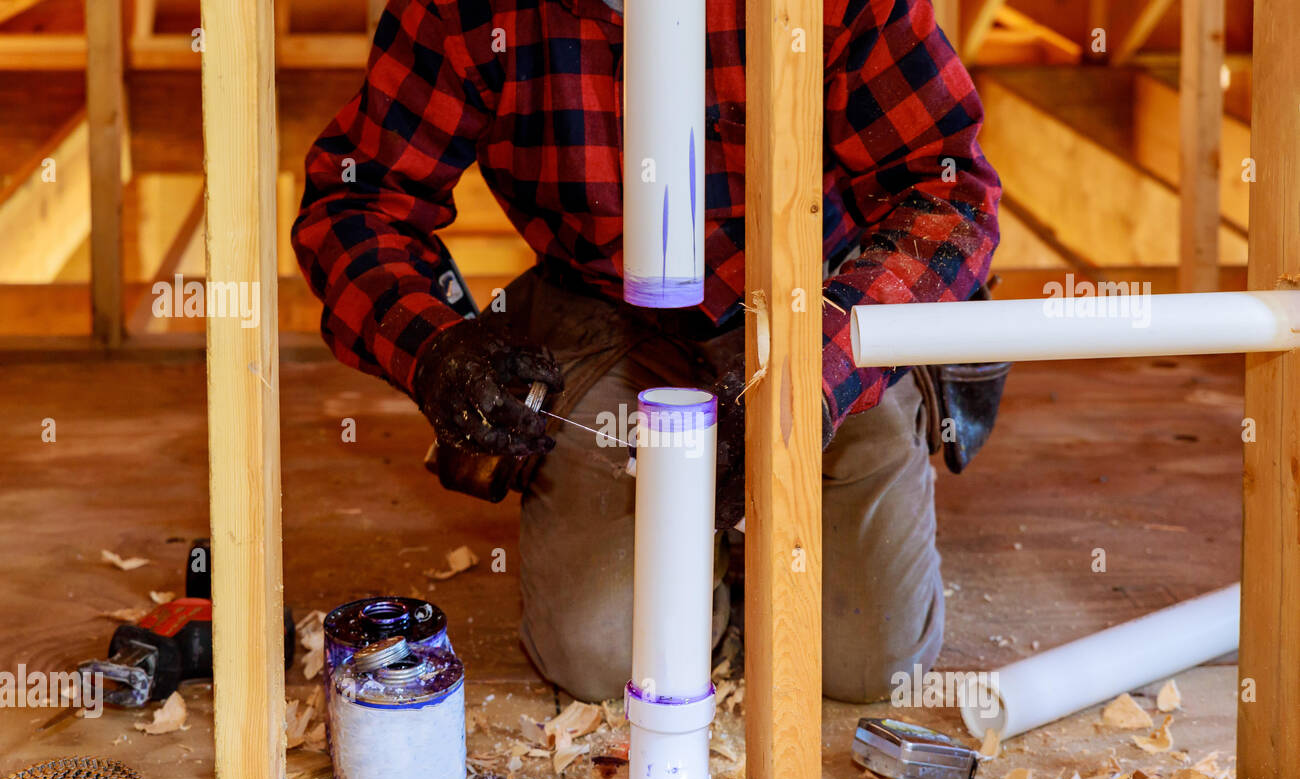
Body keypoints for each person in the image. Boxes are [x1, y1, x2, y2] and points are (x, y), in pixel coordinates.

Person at [292, 0, 1002, 703]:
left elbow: (948, 188)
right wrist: (436, 349)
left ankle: (803, 487)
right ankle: (707, 551)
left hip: (817, 308)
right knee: (609, 658)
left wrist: (819, 368)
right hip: (606, 307)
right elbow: (356, 203)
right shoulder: (465, 11)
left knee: (865, 661)